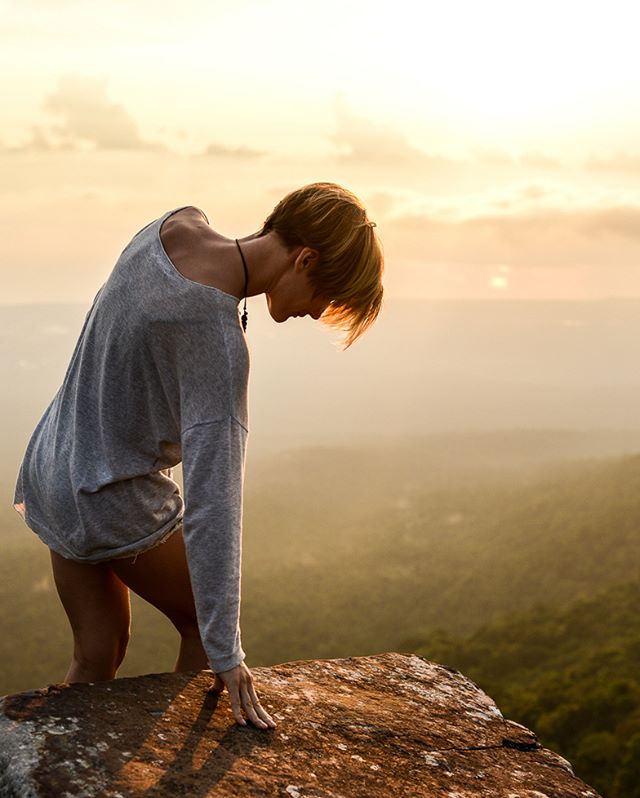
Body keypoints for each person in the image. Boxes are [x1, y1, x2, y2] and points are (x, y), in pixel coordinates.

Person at [12, 182, 384, 730]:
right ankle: (168, 773)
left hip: (53, 468)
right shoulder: (216, 339)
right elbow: (215, 503)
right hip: (109, 495)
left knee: (98, 650)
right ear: (305, 259)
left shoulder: (170, 226)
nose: (318, 312)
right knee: (202, 630)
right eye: (325, 297)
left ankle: (64, 765)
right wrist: (227, 651)